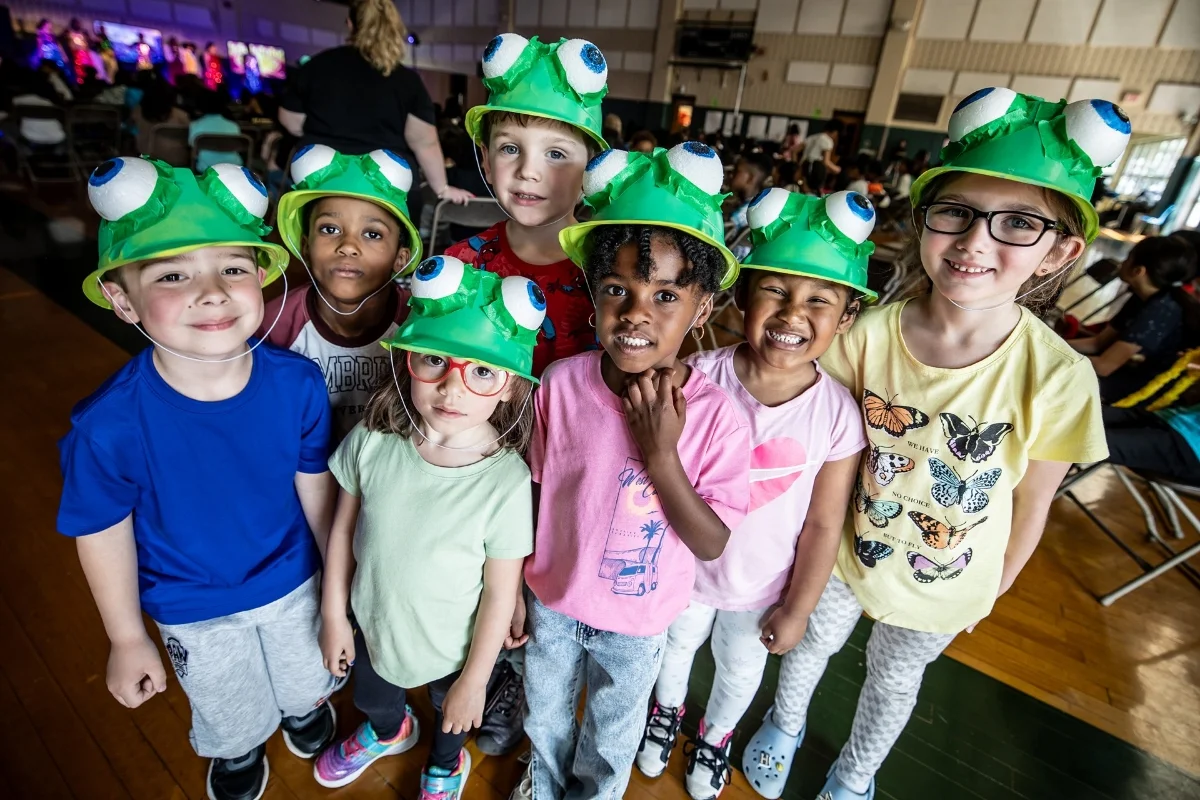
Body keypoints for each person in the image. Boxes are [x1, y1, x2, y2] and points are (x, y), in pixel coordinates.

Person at [737, 88, 1129, 800]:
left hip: (949, 581)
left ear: (1059, 252)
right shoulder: (867, 336)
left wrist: (991, 588)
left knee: (894, 677)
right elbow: (825, 443)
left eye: (1017, 223)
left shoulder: (1060, 376)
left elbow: (1034, 501)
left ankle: (854, 776)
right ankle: (785, 723)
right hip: (847, 554)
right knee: (811, 646)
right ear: (923, 221)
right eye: (956, 213)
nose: (976, 241)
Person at [59, 157, 337, 800]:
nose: (211, 290)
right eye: (173, 274)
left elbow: (314, 483)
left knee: (304, 675)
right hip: (190, 606)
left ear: (262, 282)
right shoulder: (108, 426)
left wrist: (337, 580)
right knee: (225, 699)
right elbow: (101, 533)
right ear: (121, 299)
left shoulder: (297, 383)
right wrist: (127, 637)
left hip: (295, 579)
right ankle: (237, 747)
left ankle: (303, 710)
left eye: (233, 268)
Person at [516, 142, 751, 800]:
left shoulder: (718, 421)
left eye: (666, 295)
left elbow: (711, 541)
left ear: (701, 309)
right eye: (617, 288)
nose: (637, 312)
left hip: (638, 621)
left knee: (613, 735)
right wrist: (510, 586)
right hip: (552, 601)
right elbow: (533, 492)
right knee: (547, 715)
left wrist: (659, 454)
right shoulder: (561, 385)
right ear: (594, 292)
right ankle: (542, 788)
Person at [636, 188, 873, 798]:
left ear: (845, 318)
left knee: (740, 668)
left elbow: (823, 525)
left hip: (760, 588)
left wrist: (798, 608)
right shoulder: (696, 377)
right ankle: (666, 714)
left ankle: (715, 739)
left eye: (819, 300)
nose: (793, 314)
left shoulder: (838, 415)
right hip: (680, 573)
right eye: (775, 291)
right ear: (741, 298)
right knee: (674, 649)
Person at [314, 258, 539, 798]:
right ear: (409, 359)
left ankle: (444, 765)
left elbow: (499, 595)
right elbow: (341, 533)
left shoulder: (506, 480)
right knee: (373, 699)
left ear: (510, 387)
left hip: (457, 650)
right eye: (435, 360)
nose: (452, 388)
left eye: (482, 370)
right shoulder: (373, 438)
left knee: (454, 720)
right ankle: (391, 732)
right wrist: (333, 615)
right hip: (373, 629)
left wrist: (475, 680)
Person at [451, 33, 610, 380]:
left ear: (591, 172)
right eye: (510, 148)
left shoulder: (611, 276)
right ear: (486, 161)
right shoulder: (460, 269)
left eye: (556, 154)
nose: (528, 171)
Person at [263, 145, 422, 443]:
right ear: (305, 246)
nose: (348, 245)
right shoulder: (273, 324)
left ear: (400, 259)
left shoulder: (417, 326)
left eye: (372, 234)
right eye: (329, 229)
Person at [278, 0, 472, 227]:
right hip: (386, 187)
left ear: (350, 24)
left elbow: (290, 120)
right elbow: (424, 142)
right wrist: (442, 188)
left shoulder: (316, 66)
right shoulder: (406, 80)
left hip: (322, 182)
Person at [1068, 235, 1198, 402]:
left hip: (1138, 387)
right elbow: (1097, 343)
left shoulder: (1161, 310)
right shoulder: (1141, 296)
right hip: (1121, 370)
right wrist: (1049, 343)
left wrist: (1052, 354)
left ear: (1139, 271)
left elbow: (1104, 366)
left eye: (1128, 257)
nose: (1122, 262)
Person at [131, 77, 188, 155]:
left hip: (146, 159)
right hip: (175, 159)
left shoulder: (137, 111)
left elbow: (129, 128)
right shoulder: (181, 115)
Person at [189, 90, 242, 172]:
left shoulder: (195, 125)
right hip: (233, 167)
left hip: (205, 168)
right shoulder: (233, 126)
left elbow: (192, 144)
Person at [801, 119, 843, 195]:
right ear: (835, 132)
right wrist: (837, 170)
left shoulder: (812, 137)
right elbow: (826, 162)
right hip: (815, 172)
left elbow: (794, 151)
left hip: (803, 167)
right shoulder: (828, 141)